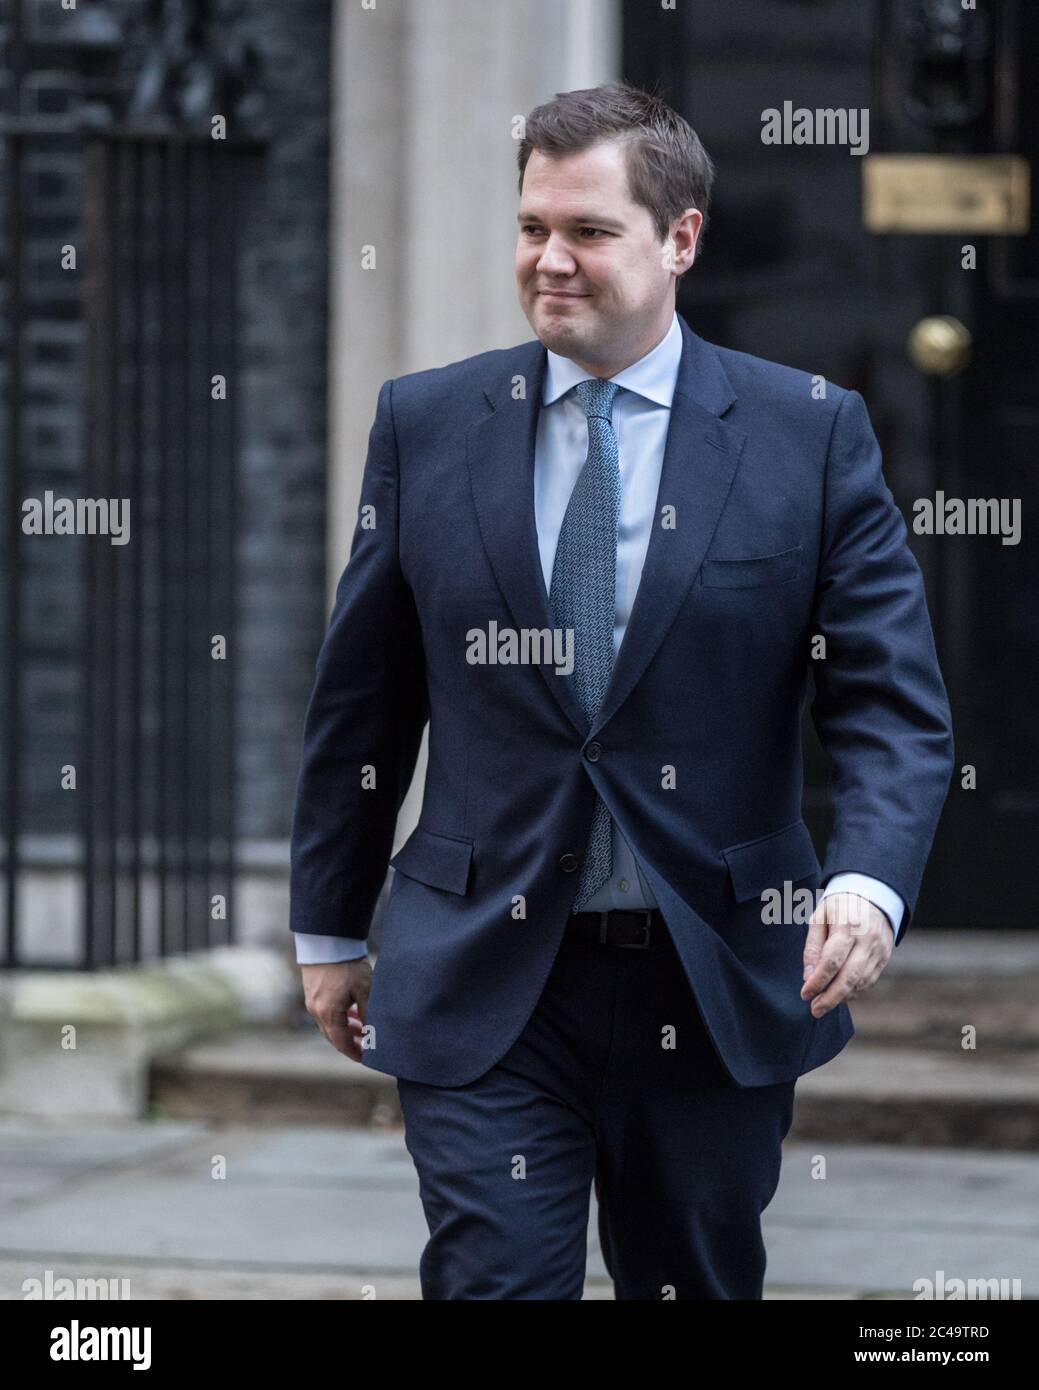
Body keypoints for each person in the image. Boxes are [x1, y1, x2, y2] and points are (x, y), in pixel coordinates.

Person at [289, 81, 955, 1300]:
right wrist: (329, 924)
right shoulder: (427, 424)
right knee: (494, 1276)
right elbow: (363, 704)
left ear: (679, 239)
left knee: (693, 1282)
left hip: (709, 972)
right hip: (485, 968)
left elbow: (888, 699)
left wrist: (864, 880)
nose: (549, 259)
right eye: (533, 226)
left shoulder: (805, 435)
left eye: (588, 231)